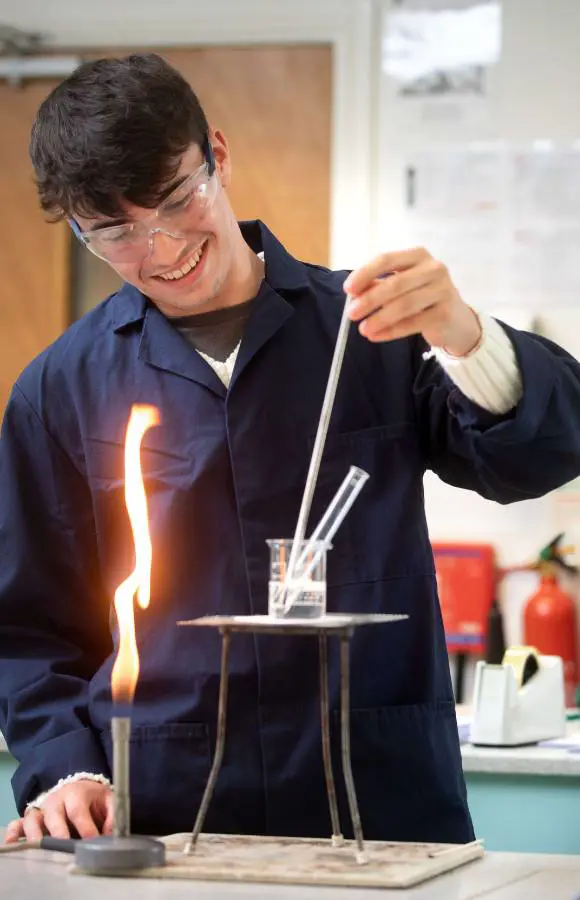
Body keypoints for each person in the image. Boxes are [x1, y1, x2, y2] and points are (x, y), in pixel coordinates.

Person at [2, 52, 580, 847]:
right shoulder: (60, 389)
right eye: (116, 232)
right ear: (78, 228)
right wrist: (68, 768)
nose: (162, 247)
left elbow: (541, 455)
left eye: (176, 198)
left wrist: (465, 336)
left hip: (377, 802)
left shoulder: (371, 332)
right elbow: (29, 629)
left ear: (219, 153)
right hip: (164, 818)